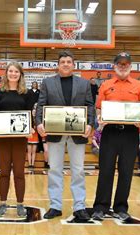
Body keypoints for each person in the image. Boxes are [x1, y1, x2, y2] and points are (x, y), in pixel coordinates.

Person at [36, 51, 95, 221]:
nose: (66, 64)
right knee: (54, 169)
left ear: (73, 65)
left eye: (69, 61)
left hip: (78, 134)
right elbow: (41, 105)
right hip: (55, 133)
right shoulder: (48, 83)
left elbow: (90, 106)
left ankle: (79, 206)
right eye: (63, 61)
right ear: (58, 64)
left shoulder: (84, 84)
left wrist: (90, 124)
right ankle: (55, 205)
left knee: (78, 170)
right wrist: (39, 122)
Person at [91, 52, 140, 221]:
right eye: (120, 64)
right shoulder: (106, 84)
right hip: (110, 132)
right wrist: (100, 117)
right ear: (114, 66)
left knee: (126, 171)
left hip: (130, 133)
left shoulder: (139, 86)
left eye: (126, 64)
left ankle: (121, 207)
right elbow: (99, 107)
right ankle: (100, 206)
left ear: (130, 66)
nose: (123, 66)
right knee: (106, 170)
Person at [0, 62, 32, 217]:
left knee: (19, 172)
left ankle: (20, 204)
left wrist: (30, 128)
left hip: (20, 138)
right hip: (3, 138)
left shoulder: (27, 93)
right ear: (6, 74)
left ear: (20, 75)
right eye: (10, 71)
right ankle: (2, 203)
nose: (13, 74)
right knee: (4, 172)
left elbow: (29, 114)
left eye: (16, 72)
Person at [27, 103, 39, 168]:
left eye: (35, 110)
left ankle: (32, 164)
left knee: (33, 151)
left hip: (35, 136)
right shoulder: (29, 118)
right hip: (30, 136)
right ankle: (29, 164)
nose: (34, 111)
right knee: (29, 151)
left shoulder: (37, 119)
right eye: (33, 110)